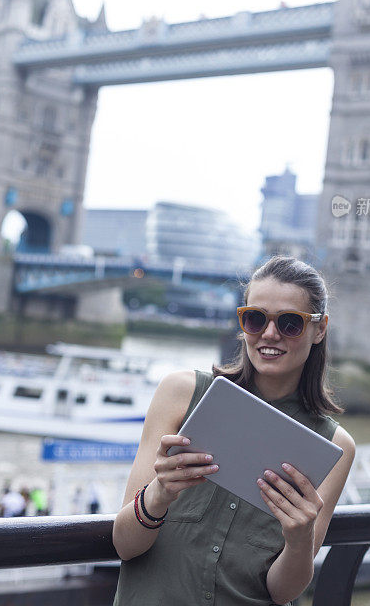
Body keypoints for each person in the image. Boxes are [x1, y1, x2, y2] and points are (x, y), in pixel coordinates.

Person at [112, 256, 356, 605]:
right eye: (255, 319)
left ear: (320, 329)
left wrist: (300, 538)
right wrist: (160, 494)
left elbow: (281, 591)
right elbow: (124, 544)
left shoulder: (334, 445)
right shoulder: (180, 393)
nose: (269, 334)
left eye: (290, 323)